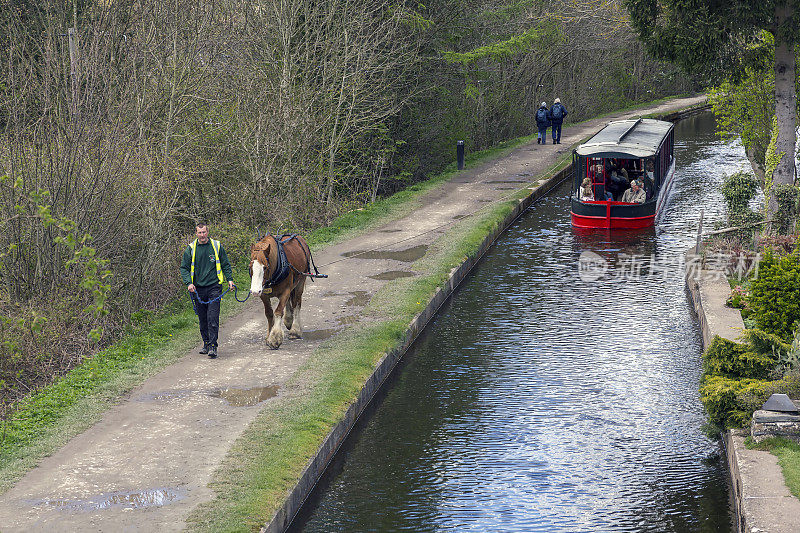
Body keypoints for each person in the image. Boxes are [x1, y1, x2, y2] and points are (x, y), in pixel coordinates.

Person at [180, 223, 235, 358]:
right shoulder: (191, 249)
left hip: (214, 287)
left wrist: (230, 279)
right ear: (196, 233)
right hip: (198, 289)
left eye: (204, 232)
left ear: (207, 232)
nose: (202, 235)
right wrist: (189, 283)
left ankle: (213, 346)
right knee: (203, 318)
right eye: (200, 233)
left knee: (212, 317)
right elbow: (184, 268)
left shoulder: (216, 246)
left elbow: (225, 264)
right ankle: (205, 343)